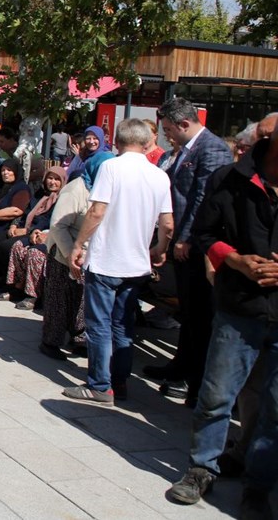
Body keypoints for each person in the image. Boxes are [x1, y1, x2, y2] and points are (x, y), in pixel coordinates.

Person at [166, 117, 278, 514]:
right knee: (216, 396)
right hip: (240, 306)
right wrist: (235, 260)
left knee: (273, 409)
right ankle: (201, 469)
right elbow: (205, 234)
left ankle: (258, 484)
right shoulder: (231, 178)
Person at [63, 118, 174, 405]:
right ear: (146, 141)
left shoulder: (111, 167)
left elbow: (97, 211)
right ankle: (119, 382)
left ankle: (100, 384)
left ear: (119, 141)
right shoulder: (159, 175)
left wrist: (78, 244)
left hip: (106, 259)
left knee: (99, 324)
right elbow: (168, 222)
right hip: (136, 263)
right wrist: (160, 249)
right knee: (123, 325)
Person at [144, 97, 233, 405]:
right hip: (181, 243)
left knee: (199, 317)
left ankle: (194, 379)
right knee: (188, 313)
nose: (167, 135)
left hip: (195, 246)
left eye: (169, 129)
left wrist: (187, 238)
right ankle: (180, 366)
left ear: (184, 124)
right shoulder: (185, 150)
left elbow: (203, 199)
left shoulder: (213, 149)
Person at [39, 151, 114, 359]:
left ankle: (79, 337)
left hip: (90, 254)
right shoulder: (75, 190)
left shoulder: (106, 189)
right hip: (65, 250)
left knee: (81, 298)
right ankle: (51, 341)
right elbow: (58, 225)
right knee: (59, 298)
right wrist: (71, 252)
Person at [0, 166, 66, 309]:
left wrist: (37, 231)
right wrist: (17, 226)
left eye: (56, 179)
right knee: (18, 246)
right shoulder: (40, 195)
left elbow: (52, 220)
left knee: (35, 253)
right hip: (34, 231)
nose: (52, 182)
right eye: (50, 178)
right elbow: (27, 213)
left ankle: (33, 295)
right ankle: (17, 287)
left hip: (53, 235)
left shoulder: (63, 199)